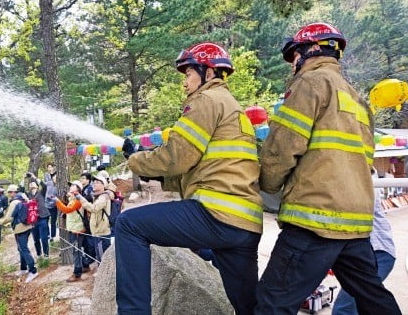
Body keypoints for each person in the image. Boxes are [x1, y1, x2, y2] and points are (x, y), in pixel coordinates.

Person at [255, 22, 401, 314]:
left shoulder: (310, 84)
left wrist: (265, 186)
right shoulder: (358, 100)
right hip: (356, 225)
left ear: (310, 50)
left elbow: (282, 146)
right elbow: (365, 160)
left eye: (295, 55)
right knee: (375, 302)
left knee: (271, 303)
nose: (293, 64)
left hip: (315, 220)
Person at [117, 42, 263, 315]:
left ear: (207, 73)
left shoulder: (205, 100)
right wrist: (158, 173)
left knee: (128, 225)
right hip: (245, 225)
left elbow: (176, 157)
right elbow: (200, 167)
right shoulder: (233, 107)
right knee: (249, 308)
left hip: (215, 214)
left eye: (188, 75)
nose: (184, 83)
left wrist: (136, 159)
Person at [332, 173, 397, 314]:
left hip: (379, 253)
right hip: (364, 252)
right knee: (358, 302)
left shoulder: (364, 179)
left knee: (345, 307)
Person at [55, 181, 89, 282]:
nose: (70, 187)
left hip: (77, 230)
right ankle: (85, 265)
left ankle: (77, 273)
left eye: (73, 186)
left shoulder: (78, 201)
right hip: (74, 228)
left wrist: (57, 201)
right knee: (77, 250)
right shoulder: (73, 199)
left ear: (78, 189)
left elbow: (67, 210)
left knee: (76, 251)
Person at [78, 175, 112, 265]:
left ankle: (104, 275)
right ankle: (102, 273)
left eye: (97, 182)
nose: (94, 184)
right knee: (99, 255)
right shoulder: (96, 196)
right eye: (94, 182)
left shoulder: (104, 197)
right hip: (97, 231)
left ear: (103, 185)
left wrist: (81, 199)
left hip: (102, 231)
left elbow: (94, 208)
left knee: (103, 257)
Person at [11, 192, 38, 283]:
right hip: (28, 227)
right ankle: (23, 268)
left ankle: (33, 271)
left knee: (24, 249)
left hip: (20, 229)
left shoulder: (17, 205)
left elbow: (10, 216)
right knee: (21, 248)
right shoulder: (26, 204)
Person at [28, 180, 50, 258]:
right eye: (30, 184)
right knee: (36, 238)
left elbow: (44, 185)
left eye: (34, 184)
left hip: (42, 217)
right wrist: (23, 179)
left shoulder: (41, 193)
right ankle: (39, 254)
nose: (32, 185)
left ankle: (46, 254)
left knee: (44, 238)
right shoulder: (28, 195)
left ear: (37, 186)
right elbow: (20, 190)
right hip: (33, 220)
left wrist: (34, 178)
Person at [45, 164, 59, 242]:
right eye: (54, 177)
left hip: (54, 206)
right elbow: (42, 185)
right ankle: (47, 234)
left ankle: (52, 236)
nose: (55, 178)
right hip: (47, 204)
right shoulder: (48, 183)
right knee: (46, 220)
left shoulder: (59, 186)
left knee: (53, 221)